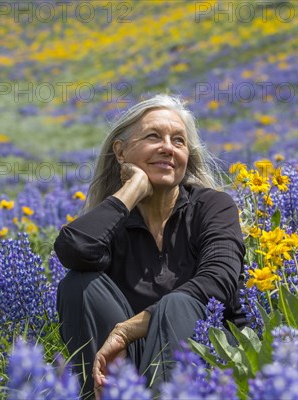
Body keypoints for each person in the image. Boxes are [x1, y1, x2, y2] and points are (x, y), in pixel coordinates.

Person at [54, 94, 247, 398]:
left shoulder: (213, 206)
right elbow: (72, 250)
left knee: (178, 303)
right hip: (127, 361)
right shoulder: (115, 220)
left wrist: (127, 329)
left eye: (179, 141)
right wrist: (131, 190)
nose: (168, 148)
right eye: (154, 136)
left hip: (209, 356)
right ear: (121, 152)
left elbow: (217, 283)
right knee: (79, 285)